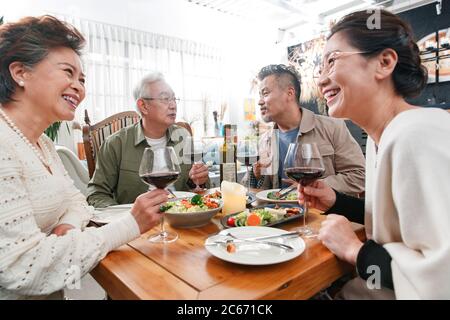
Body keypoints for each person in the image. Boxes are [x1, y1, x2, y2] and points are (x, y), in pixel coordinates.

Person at [0, 15, 167, 299]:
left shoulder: (41, 144)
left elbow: (78, 202)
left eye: (82, 79)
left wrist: (65, 226)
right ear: (20, 72)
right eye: (68, 72)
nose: (79, 87)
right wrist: (130, 225)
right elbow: (21, 266)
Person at [299, 10, 450, 299]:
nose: (321, 81)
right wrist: (336, 201)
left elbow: (444, 276)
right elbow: (397, 227)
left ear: (384, 62)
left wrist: (353, 249)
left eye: (332, 61)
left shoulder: (418, 133)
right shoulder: (381, 138)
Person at [86, 72, 209, 208]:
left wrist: (198, 180)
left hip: (180, 220)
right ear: (143, 106)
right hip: (138, 226)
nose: (173, 105)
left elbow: (197, 187)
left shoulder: (183, 137)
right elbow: (96, 194)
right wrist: (125, 219)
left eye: (174, 99)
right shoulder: (116, 144)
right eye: (165, 99)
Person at [249, 64, 365, 197]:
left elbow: (360, 176)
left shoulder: (333, 128)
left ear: (290, 93)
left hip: (323, 216)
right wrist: (256, 175)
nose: (259, 102)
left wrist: (316, 186)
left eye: (265, 93)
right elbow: (260, 193)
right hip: (281, 216)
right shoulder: (265, 141)